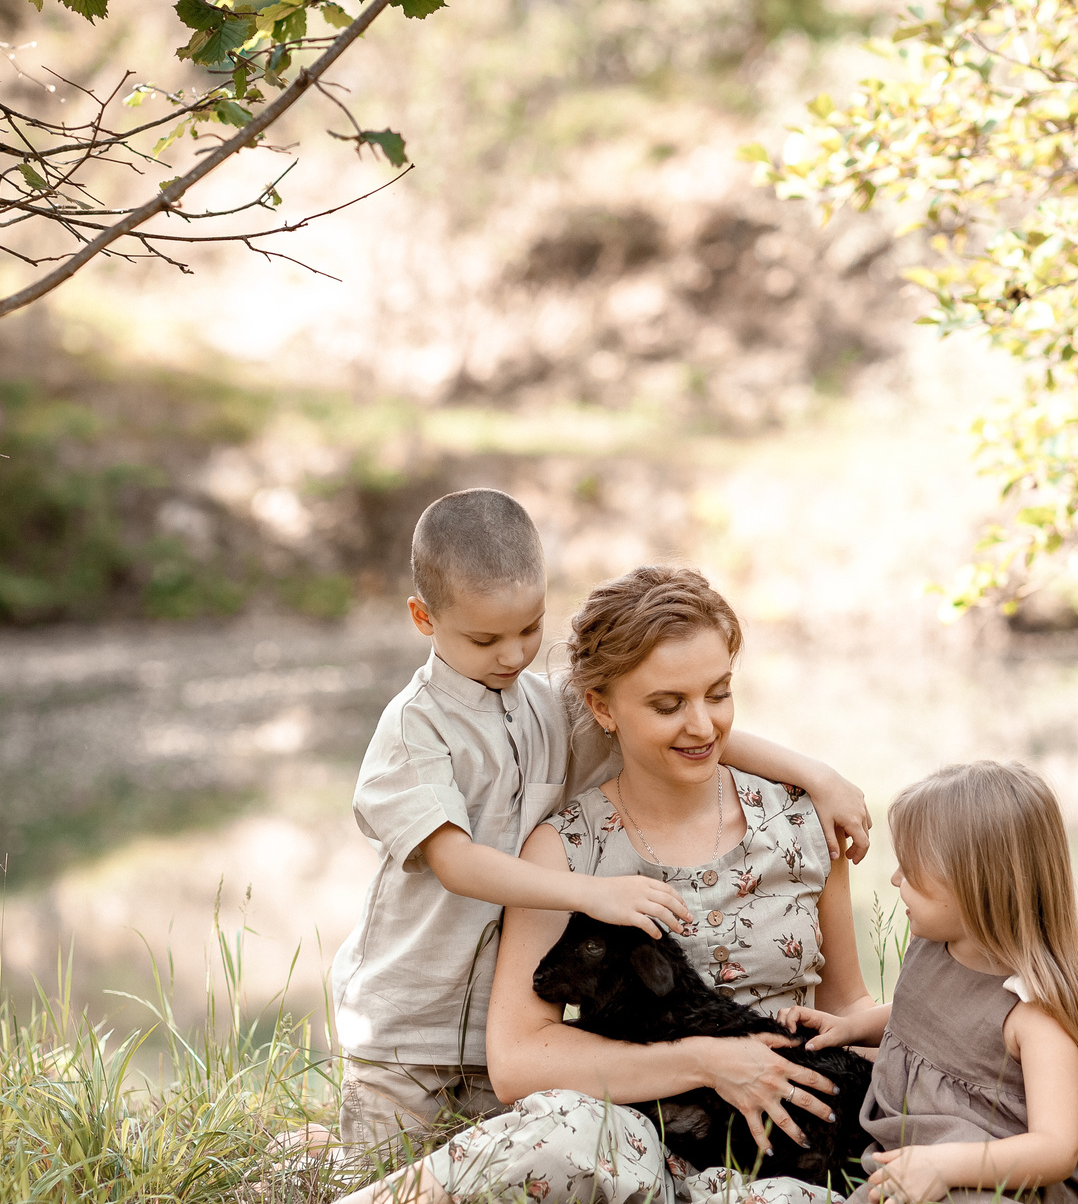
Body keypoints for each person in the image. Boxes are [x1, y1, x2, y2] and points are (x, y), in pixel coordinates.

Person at [77, 567, 873, 1204]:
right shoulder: (564, 850)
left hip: (791, 1152)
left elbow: (847, 1007)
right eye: (667, 704)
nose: (704, 725)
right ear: (600, 708)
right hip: (637, 1131)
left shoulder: (802, 824)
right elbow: (521, 1061)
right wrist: (705, 1062)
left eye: (720, 693)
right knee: (561, 1138)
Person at [329, 492, 871, 1150]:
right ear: (423, 617)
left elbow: (684, 729)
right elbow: (456, 861)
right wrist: (589, 891)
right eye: (485, 638)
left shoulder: (544, 705)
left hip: (488, 1027)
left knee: (476, 1182)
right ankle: (310, 1172)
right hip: (409, 1020)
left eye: (529, 629)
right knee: (373, 1173)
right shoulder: (416, 729)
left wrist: (817, 774)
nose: (512, 654)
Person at [789, 761, 1078, 1204]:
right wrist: (854, 1027)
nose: (895, 880)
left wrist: (945, 1167)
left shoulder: (1035, 1016)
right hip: (934, 1170)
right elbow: (922, 1016)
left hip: (1015, 1188)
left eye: (911, 871)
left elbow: (1055, 1149)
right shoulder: (933, 948)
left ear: (977, 883)